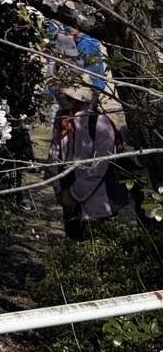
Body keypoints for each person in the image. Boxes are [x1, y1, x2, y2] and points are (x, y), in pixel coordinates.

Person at [44, 82, 129, 240]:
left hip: (97, 197)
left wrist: (74, 194)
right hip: (67, 191)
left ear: (77, 99)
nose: (60, 98)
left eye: (65, 95)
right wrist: (60, 190)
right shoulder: (61, 117)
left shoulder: (99, 122)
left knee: (98, 241)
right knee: (74, 240)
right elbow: (54, 153)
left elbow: (99, 167)